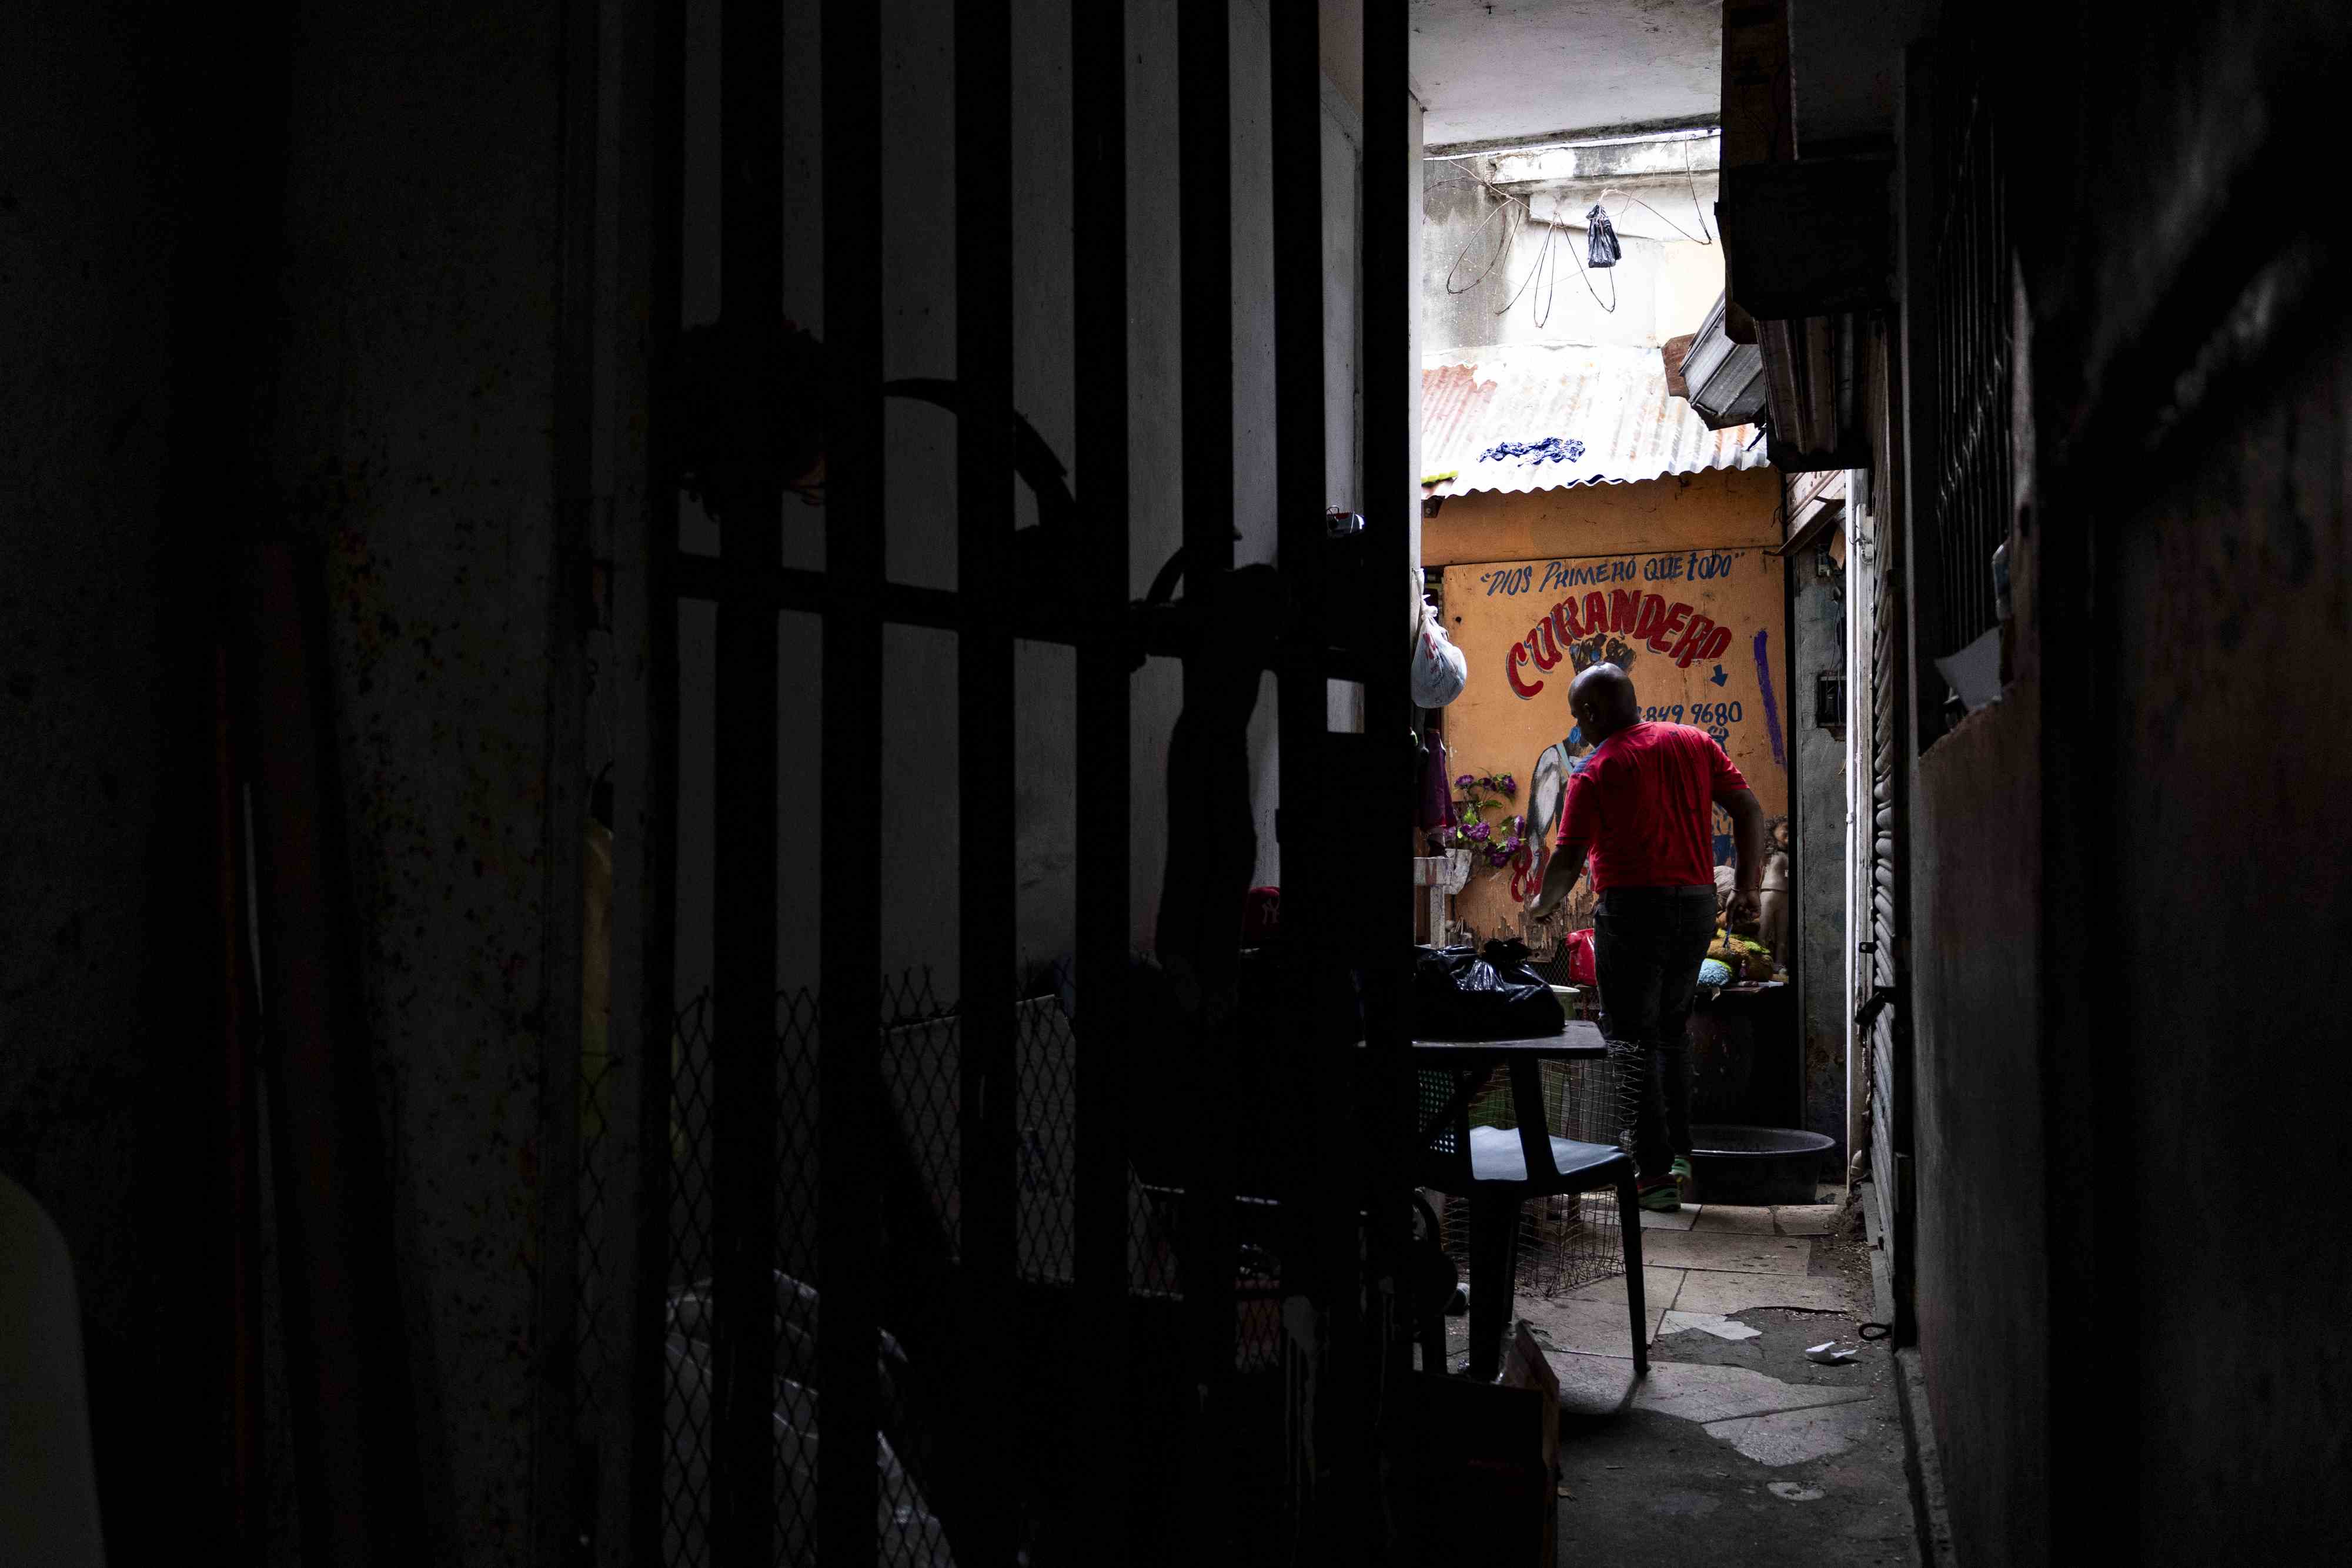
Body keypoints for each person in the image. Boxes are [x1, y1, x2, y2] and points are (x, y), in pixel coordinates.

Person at [1528, 663, 1765, 1211]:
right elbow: (1749, 808)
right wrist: (1748, 887)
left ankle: (1654, 1175)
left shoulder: (1595, 771)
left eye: (1576, 714)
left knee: (1630, 1038)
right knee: (1673, 1032)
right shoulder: (1695, 743)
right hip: (1696, 906)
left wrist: (1541, 906)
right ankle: (1679, 1155)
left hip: (1633, 910)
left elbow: (1566, 861)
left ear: (1591, 712)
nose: (1576, 725)